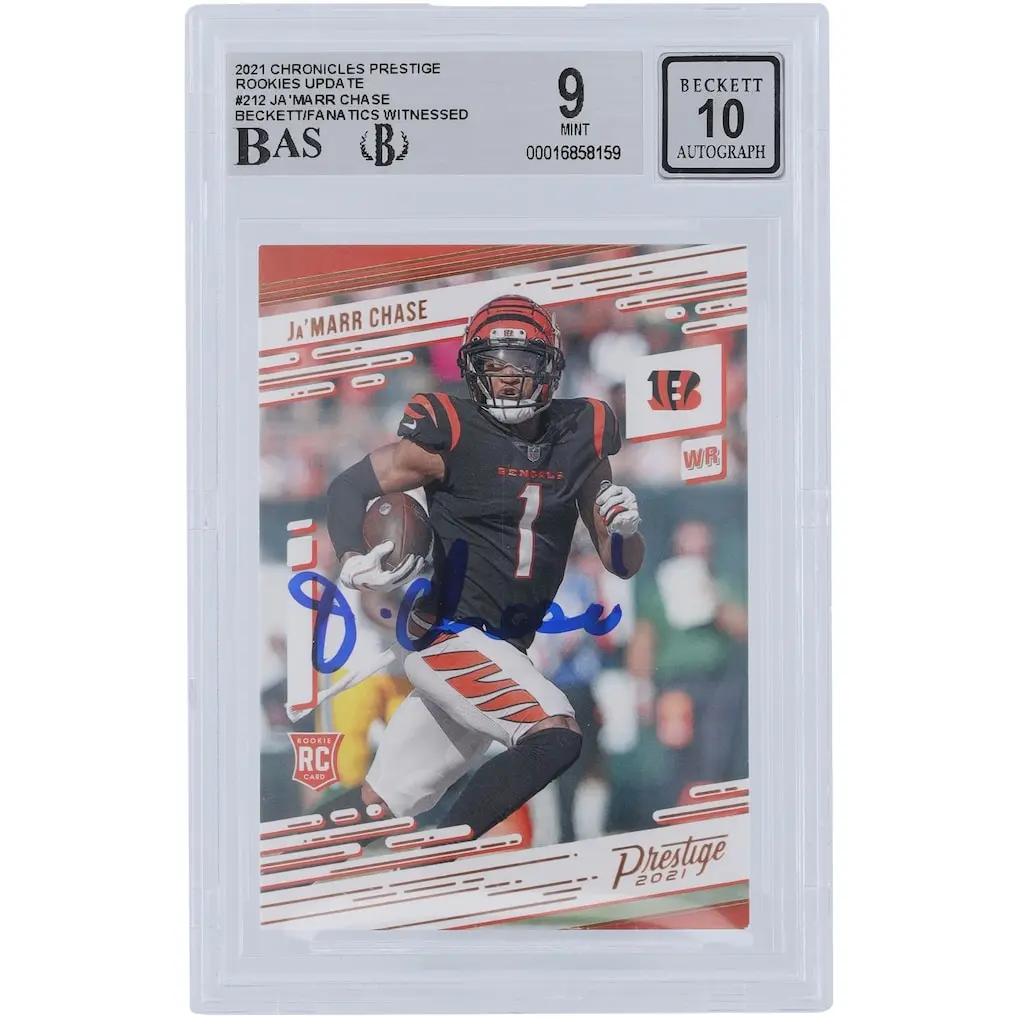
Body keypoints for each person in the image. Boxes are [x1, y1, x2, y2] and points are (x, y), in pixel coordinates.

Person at [322, 294, 644, 838]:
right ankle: (440, 866)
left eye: (522, 363)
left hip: (503, 648)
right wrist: (353, 556)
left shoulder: (582, 432)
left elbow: (623, 564)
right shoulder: (450, 431)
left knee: (376, 806)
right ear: (473, 369)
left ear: (550, 368)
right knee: (555, 733)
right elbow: (347, 488)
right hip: (448, 636)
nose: (508, 377)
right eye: (494, 364)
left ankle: (278, 860)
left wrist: (626, 530)